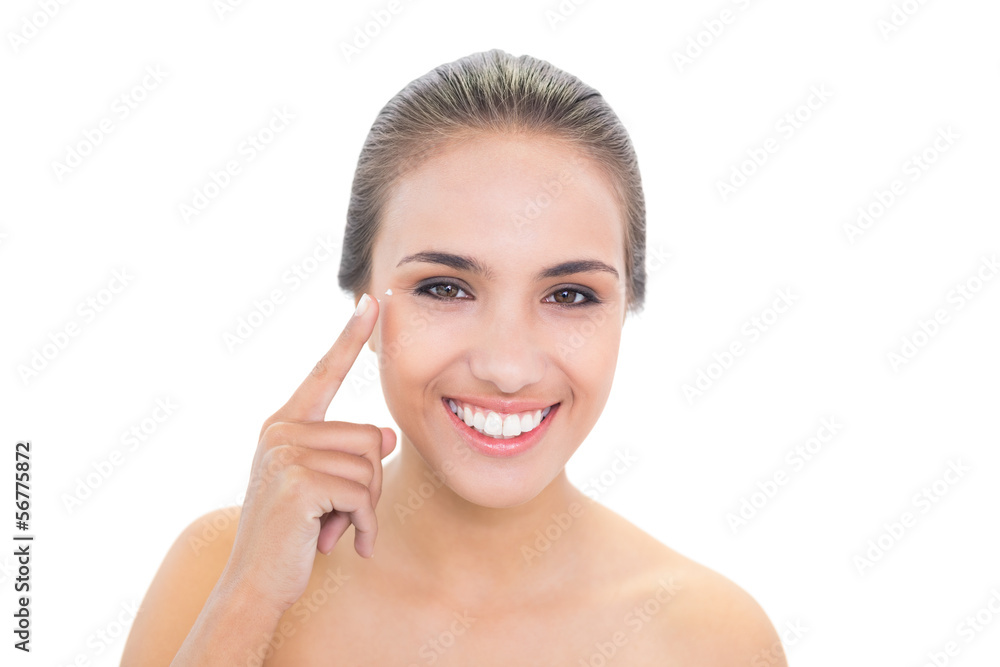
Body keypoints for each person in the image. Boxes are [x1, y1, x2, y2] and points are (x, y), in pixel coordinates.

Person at [121, 49, 787, 666]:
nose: (507, 365)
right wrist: (249, 599)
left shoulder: (713, 637)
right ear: (364, 300)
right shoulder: (219, 571)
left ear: (626, 308)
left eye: (570, 294)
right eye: (445, 287)